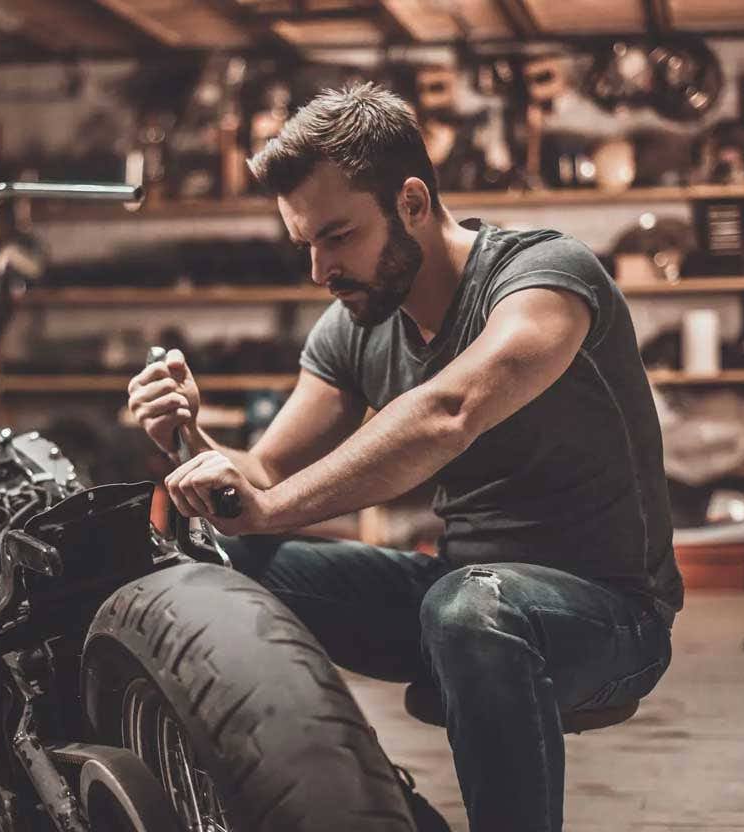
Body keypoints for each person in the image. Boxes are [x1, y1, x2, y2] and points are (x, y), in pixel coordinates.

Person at [126, 83, 682, 832]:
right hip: (455, 598)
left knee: (473, 609)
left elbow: (449, 414)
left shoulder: (546, 277)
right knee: (226, 566)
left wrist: (270, 508)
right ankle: (370, 808)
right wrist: (187, 442)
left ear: (413, 202)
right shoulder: (354, 323)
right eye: (308, 246)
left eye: (339, 236)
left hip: (608, 616)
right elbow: (260, 478)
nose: (321, 269)